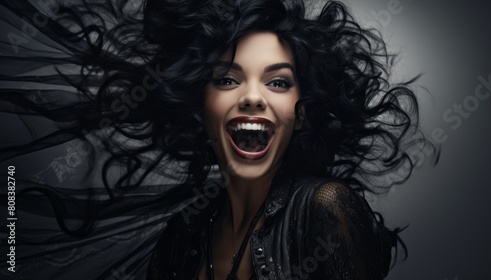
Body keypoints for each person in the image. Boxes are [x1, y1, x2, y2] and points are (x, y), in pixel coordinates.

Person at [0, 0, 436, 279]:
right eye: (227, 79)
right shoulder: (185, 231)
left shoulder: (324, 208)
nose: (251, 97)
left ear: (300, 116)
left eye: (278, 83)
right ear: (200, 107)